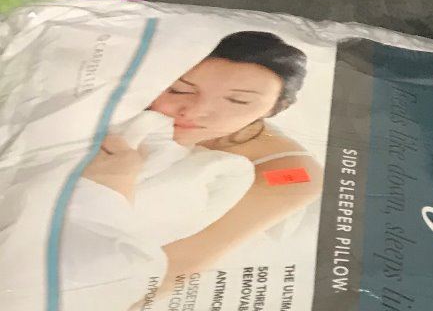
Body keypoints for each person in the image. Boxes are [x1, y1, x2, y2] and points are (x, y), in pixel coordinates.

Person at [81, 30, 319, 286]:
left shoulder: (291, 173)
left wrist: (113, 194)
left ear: (276, 108)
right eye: (179, 90)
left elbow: (176, 265)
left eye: (238, 101)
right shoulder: (132, 101)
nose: (195, 111)